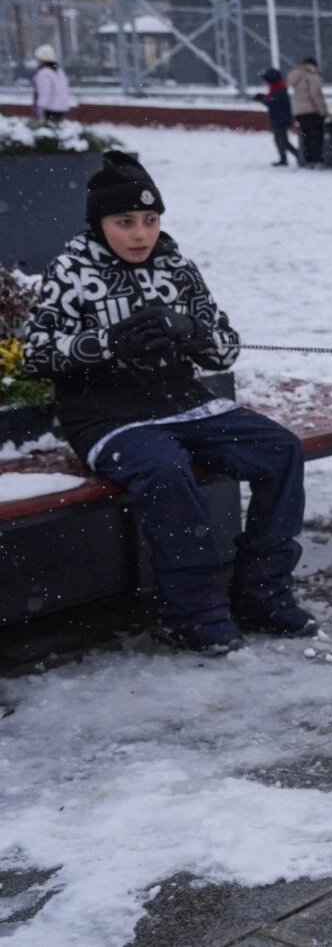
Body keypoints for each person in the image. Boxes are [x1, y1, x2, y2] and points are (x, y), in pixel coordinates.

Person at [21, 151, 316, 655]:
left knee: (281, 450)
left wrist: (193, 332)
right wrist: (106, 345)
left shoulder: (177, 266)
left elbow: (225, 347)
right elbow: (36, 352)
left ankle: (262, 592)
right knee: (166, 471)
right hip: (105, 414)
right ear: (99, 222)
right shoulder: (70, 269)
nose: (140, 234)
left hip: (185, 402)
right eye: (125, 222)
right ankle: (194, 613)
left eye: (150, 219)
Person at [252, 68, 298, 167]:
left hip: (281, 119)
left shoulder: (279, 89)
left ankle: (296, 156)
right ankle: (286, 158)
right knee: (280, 140)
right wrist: (264, 98)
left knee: (282, 140)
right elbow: (273, 101)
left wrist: (262, 99)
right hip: (279, 118)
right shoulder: (277, 88)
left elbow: (274, 103)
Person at [287, 56, 328, 166]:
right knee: (316, 137)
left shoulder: (297, 74)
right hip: (312, 110)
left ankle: (307, 159)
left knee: (305, 137)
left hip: (299, 111)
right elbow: (316, 94)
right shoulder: (312, 74)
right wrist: (322, 111)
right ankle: (316, 160)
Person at [31, 44, 70, 123]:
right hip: (60, 107)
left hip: (49, 108)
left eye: (38, 57)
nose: (37, 60)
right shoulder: (59, 71)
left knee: (47, 130)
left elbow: (45, 92)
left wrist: (41, 108)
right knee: (56, 129)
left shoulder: (43, 72)